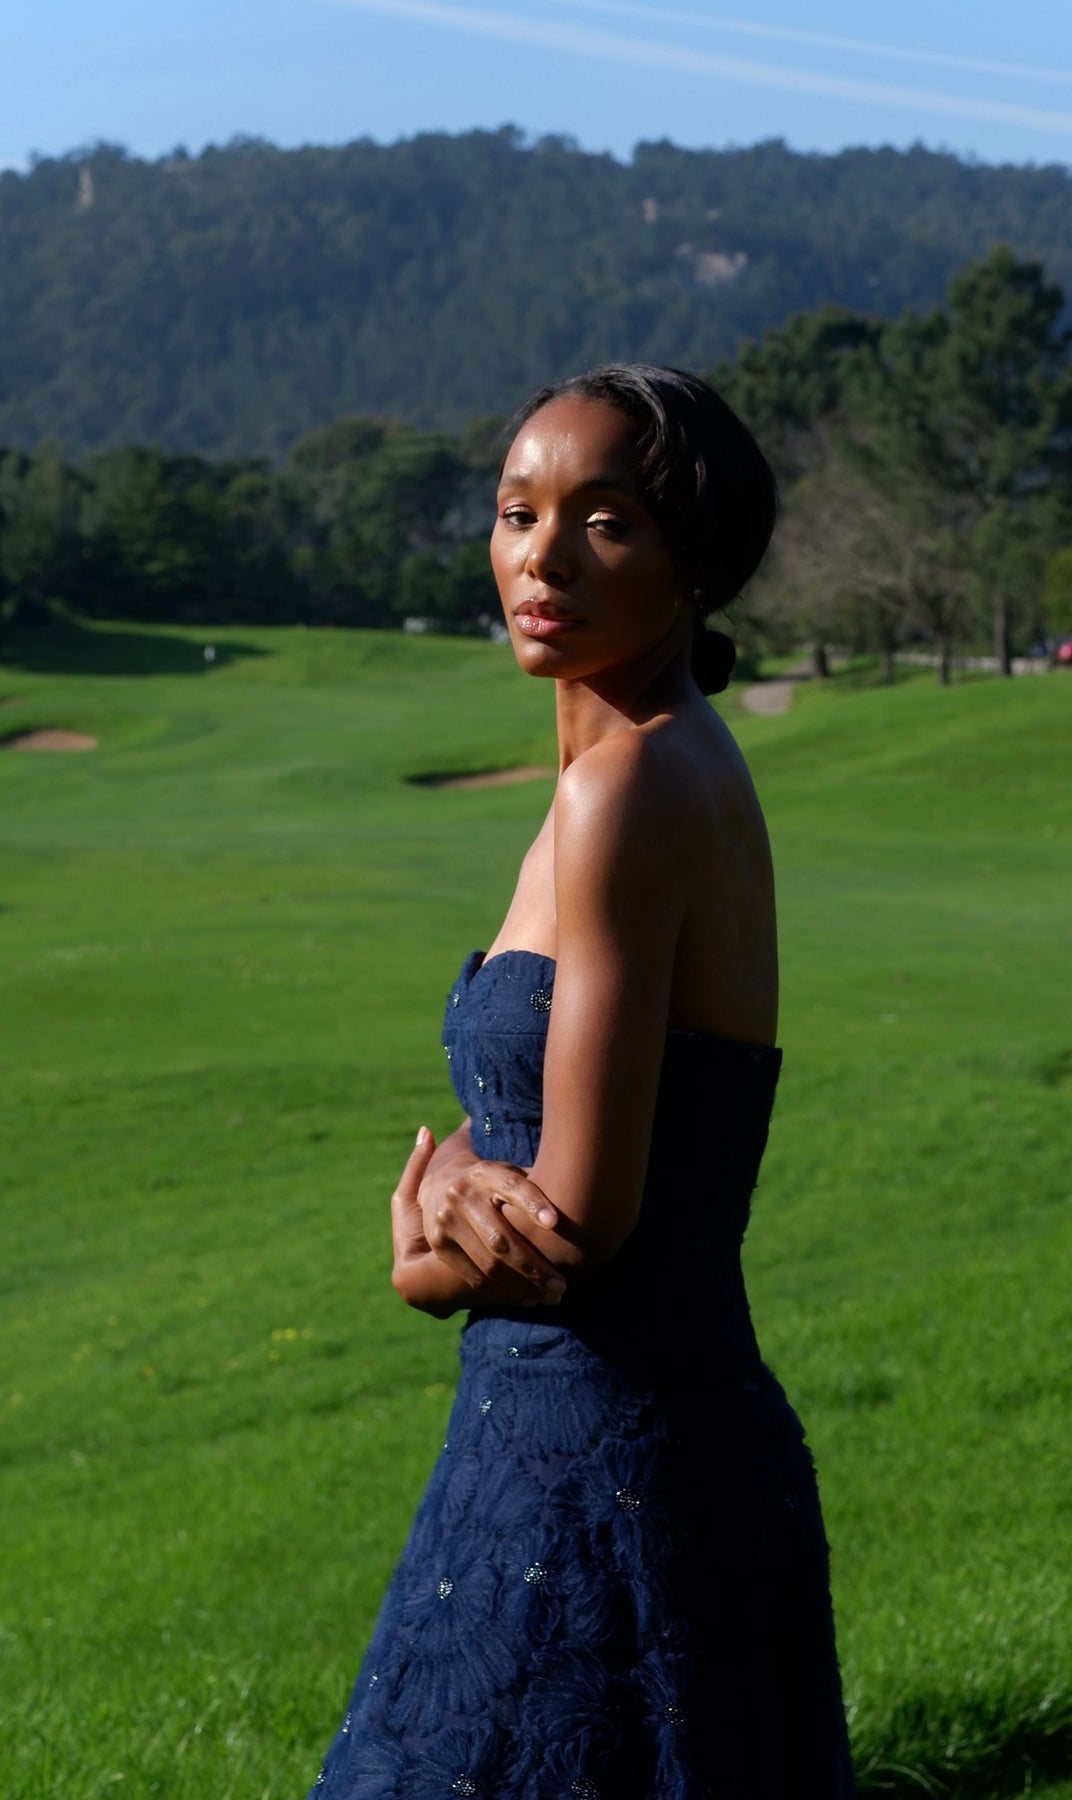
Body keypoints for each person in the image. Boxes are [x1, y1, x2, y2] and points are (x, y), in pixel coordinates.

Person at [307, 365, 854, 1798]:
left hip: (593, 1464)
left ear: (698, 564)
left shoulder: (631, 791)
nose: (541, 558)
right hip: (620, 1444)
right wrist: (456, 1190)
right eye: (517, 511)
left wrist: (421, 1243)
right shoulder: (645, 769)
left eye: (606, 521)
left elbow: (569, 1233)